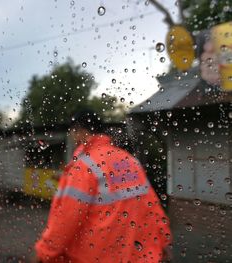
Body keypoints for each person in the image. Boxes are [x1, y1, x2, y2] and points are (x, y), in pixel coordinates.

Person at [32, 109, 172, 263]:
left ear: (79, 131)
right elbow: (152, 207)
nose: (72, 136)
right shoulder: (129, 160)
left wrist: (45, 252)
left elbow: (65, 220)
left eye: (72, 131)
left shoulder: (83, 166)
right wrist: (163, 241)